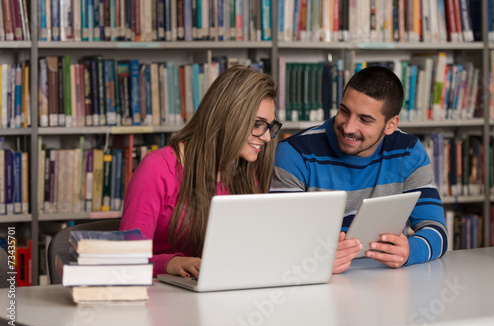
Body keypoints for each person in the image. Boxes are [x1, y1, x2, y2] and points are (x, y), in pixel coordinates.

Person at [271, 66, 448, 274]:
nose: (348, 127)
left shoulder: (409, 151)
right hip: (314, 286)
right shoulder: (294, 153)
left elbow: (437, 230)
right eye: (344, 111)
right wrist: (312, 258)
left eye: (364, 119)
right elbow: (278, 240)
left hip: (384, 283)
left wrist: (410, 251)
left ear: (390, 125)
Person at [120, 65, 281, 278]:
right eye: (257, 124)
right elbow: (124, 260)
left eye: (269, 126)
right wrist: (169, 263)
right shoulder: (157, 169)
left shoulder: (246, 171)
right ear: (227, 116)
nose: (267, 137)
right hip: (159, 298)